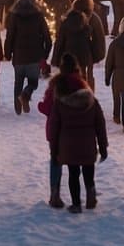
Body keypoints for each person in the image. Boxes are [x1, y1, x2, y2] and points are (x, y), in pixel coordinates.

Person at [47, 52, 109, 213]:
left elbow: (54, 126)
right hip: (88, 144)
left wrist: (54, 150)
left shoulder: (60, 101)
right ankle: (91, 194)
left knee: (73, 174)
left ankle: (76, 204)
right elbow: (100, 123)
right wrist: (103, 146)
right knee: (89, 170)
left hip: (68, 145)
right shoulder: (90, 99)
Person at [39, 52, 87, 207]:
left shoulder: (55, 85)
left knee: (55, 160)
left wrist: (40, 105)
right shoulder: (81, 84)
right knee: (74, 163)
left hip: (56, 129)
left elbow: (46, 108)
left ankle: (55, 193)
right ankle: (76, 196)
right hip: (75, 129)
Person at [5, 0, 52, 115]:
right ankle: (26, 94)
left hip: (19, 55)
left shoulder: (14, 16)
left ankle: (17, 108)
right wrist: (44, 55)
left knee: (18, 81)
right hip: (34, 56)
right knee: (33, 82)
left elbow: (10, 36)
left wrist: (8, 53)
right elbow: (47, 37)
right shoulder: (39, 15)